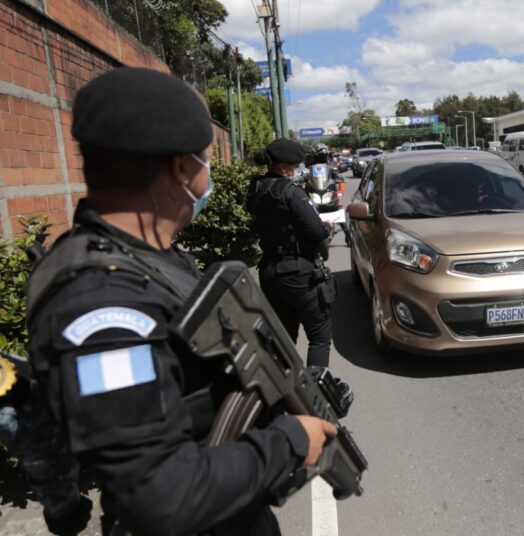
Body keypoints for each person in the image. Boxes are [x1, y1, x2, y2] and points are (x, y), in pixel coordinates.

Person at [25, 67, 336, 535]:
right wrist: (289, 442)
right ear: (181, 169)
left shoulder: (145, 261)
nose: (206, 176)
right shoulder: (104, 307)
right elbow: (158, 496)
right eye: (205, 160)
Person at [247, 140, 352, 404]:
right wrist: (327, 227)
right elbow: (316, 231)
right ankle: (313, 399)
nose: (296, 171)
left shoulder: (256, 188)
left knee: (283, 338)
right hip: (300, 273)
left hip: (269, 271)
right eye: (294, 167)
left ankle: (274, 396)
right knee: (319, 337)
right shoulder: (291, 192)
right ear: (283, 168)